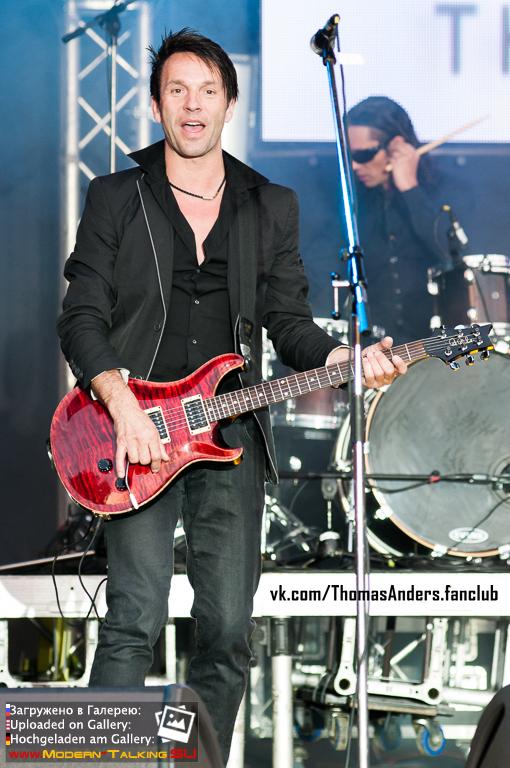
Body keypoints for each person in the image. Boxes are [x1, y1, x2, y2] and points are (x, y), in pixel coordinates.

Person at [57, 30, 406, 763]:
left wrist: (342, 358)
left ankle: (187, 759)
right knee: (134, 616)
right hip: (135, 432)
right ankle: (101, 761)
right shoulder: (116, 196)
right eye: (177, 91)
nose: (193, 105)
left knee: (225, 632)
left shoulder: (268, 204)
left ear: (229, 103)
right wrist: (122, 405)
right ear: (157, 105)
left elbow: (288, 321)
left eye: (207, 91)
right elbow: (80, 316)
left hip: (228, 431)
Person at [347, 95, 466, 343]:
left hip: (436, 346)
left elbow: (454, 257)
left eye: (364, 154)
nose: (355, 165)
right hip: (376, 349)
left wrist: (410, 188)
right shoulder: (353, 201)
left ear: (397, 146)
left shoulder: (445, 189)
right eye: (351, 155)